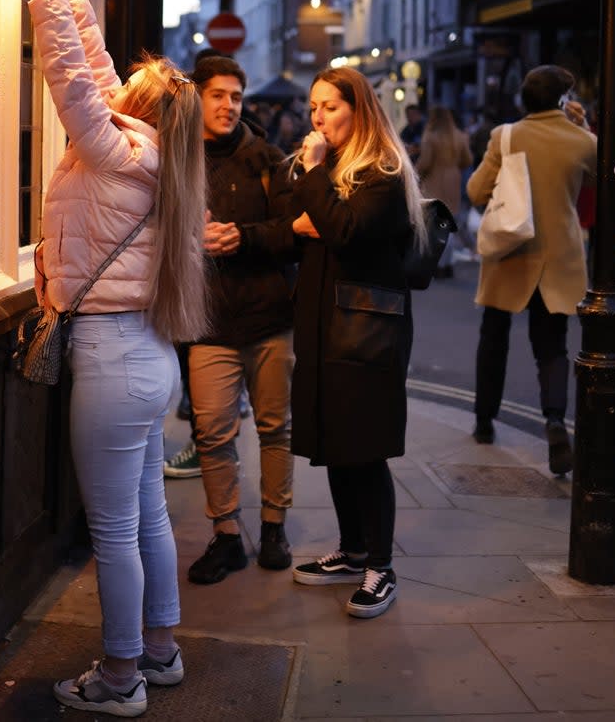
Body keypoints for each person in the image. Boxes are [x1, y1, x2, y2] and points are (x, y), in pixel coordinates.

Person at [29, 0, 209, 717]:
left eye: (124, 93)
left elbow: (74, 80)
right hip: (148, 359)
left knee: (113, 530)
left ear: (136, 109)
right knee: (144, 516)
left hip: (108, 358)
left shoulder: (114, 149)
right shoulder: (156, 157)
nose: (111, 92)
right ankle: (159, 654)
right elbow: (95, 74)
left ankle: (119, 676)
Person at [287, 66, 430, 620]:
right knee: (338, 444)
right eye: (314, 108)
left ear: (359, 109)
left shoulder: (383, 171)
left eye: (330, 107)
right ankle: (352, 551)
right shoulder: (342, 169)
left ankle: (381, 566)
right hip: (326, 328)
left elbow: (344, 230)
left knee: (365, 449)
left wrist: (316, 176)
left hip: (367, 332)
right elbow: (306, 224)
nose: (319, 118)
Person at [175, 54, 299, 586]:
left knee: (276, 428)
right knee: (212, 433)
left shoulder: (268, 159)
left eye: (235, 97)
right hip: (208, 321)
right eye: (218, 95)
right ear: (196, 98)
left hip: (269, 317)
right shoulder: (176, 161)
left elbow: (294, 232)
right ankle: (226, 535)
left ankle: (274, 527)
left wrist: (242, 237)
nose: (228, 106)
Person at [465, 64, 595, 476]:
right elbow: (610, 180)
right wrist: (586, 125)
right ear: (562, 100)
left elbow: (475, 192)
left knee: (494, 336)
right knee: (552, 347)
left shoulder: (506, 136)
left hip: (511, 250)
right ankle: (555, 422)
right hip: (558, 257)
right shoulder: (583, 141)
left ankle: (485, 422)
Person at [415, 104, 474, 278]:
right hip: (453, 180)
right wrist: (455, 167)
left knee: (434, 225)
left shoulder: (430, 137)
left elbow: (425, 163)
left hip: (434, 180)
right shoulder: (459, 136)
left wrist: (415, 174)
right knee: (448, 224)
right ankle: (448, 264)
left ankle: (438, 265)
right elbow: (468, 159)